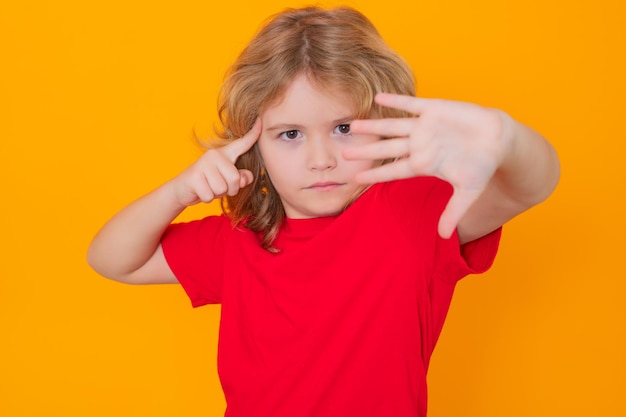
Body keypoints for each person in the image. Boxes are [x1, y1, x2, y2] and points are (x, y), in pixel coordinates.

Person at [87, 5, 560, 417]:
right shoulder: (238, 238)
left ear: (383, 126)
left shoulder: (413, 215)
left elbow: (530, 187)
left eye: (343, 127)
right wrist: (178, 193)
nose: (321, 160)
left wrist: (508, 140)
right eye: (290, 134)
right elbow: (111, 259)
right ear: (252, 145)